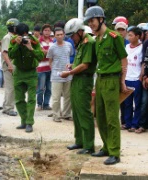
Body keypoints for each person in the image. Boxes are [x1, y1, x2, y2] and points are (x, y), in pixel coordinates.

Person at [84, 6, 128, 165]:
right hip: (100, 79)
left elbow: (123, 59)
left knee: (111, 118)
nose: (91, 24)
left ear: (101, 19)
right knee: (100, 116)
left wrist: (122, 81)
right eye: (89, 22)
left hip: (111, 80)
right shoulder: (97, 40)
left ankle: (115, 152)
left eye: (92, 20)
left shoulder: (114, 37)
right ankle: (106, 147)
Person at [61, 18, 96, 154]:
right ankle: (79, 141)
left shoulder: (88, 42)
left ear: (80, 31)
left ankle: (88, 145)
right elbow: (80, 62)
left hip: (84, 80)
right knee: (76, 111)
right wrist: (72, 66)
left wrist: (69, 72)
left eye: (72, 35)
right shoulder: (81, 43)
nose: (71, 38)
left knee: (84, 112)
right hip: (77, 79)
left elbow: (86, 65)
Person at [8, 23, 44, 133]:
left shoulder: (34, 41)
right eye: (20, 35)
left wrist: (31, 48)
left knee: (31, 99)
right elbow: (11, 55)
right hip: (18, 72)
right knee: (19, 99)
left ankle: (29, 122)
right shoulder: (14, 40)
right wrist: (17, 45)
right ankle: (23, 120)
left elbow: (41, 56)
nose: (23, 38)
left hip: (31, 73)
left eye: (25, 35)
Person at [46, 27, 73, 122]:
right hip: (56, 75)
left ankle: (66, 114)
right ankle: (56, 115)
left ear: (64, 35)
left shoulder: (69, 45)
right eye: (58, 35)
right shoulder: (52, 47)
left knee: (68, 96)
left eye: (61, 34)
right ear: (55, 36)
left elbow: (70, 56)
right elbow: (50, 61)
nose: (60, 36)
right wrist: (53, 71)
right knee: (56, 97)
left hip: (68, 74)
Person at [121, 27, 143, 132]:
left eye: (131, 35)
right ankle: (127, 123)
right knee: (127, 103)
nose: (128, 37)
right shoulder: (126, 47)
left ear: (138, 36)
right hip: (127, 78)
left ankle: (135, 124)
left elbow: (143, 63)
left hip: (136, 79)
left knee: (137, 103)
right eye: (128, 35)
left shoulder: (142, 48)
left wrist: (141, 77)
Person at [1, 18, 19, 116]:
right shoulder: (8, 37)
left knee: (10, 87)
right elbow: (5, 53)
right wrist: (10, 65)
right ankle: (9, 108)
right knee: (10, 87)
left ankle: (6, 106)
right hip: (9, 65)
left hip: (11, 65)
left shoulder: (14, 37)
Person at [36, 24, 53, 111]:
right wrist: (50, 52)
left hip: (50, 68)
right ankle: (39, 104)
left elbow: (53, 52)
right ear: (42, 31)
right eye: (45, 30)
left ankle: (46, 104)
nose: (47, 32)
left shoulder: (52, 41)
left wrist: (47, 52)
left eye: (48, 30)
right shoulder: (39, 41)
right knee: (41, 88)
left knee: (49, 88)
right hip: (41, 68)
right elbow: (41, 53)